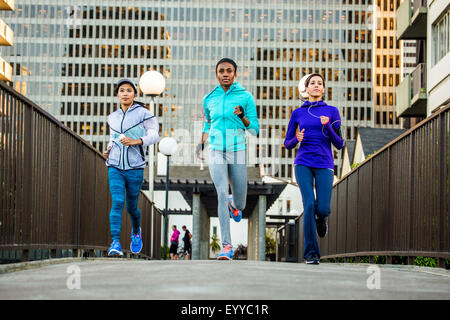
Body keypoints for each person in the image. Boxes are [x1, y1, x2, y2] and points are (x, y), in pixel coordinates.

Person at [196, 58, 259, 260]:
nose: (225, 74)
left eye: (229, 71)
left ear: (235, 74)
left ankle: (235, 204)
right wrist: (202, 142)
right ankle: (226, 246)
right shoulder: (209, 99)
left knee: (240, 202)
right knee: (221, 192)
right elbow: (208, 124)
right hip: (215, 150)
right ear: (216, 74)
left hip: (238, 150)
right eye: (221, 71)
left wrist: (242, 117)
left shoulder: (245, 97)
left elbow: (254, 129)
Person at [283, 73, 344, 265]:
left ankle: (321, 219)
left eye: (320, 83)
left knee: (323, 207)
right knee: (309, 204)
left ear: (323, 89)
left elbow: (340, 144)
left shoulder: (332, 111)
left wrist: (329, 128)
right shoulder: (298, 113)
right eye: (312, 83)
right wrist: (296, 139)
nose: (316, 86)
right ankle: (311, 253)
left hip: (325, 163)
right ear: (306, 89)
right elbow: (287, 143)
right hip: (303, 163)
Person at [103, 78, 159, 256]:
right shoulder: (112, 117)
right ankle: (115, 242)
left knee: (132, 207)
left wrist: (137, 141)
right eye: (122, 90)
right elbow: (114, 138)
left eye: (129, 90)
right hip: (115, 165)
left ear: (135, 94)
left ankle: (136, 232)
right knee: (118, 202)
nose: (125, 93)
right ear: (117, 94)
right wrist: (109, 149)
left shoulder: (144, 114)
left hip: (135, 167)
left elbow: (154, 135)